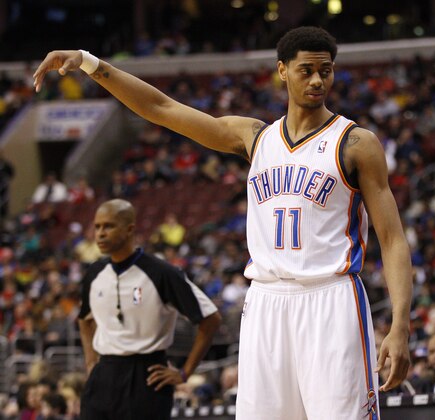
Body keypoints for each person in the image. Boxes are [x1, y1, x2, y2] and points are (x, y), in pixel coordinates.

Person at [33, 26, 413, 419]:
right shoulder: (254, 137)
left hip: (331, 298)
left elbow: (393, 239)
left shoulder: (355, 143)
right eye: (307, 70)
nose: (318, 80)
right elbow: (162, 108)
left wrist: (400, 323)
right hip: (266, 300)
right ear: (282, 71)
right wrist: (92, 64)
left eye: (326, 70)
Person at [76, 199, 221, 419]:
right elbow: (84, 319)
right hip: (103, 373)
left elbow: (210, 319)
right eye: (97, 227)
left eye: (108, 226)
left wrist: (184, 372)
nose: (100, 233)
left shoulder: (162, 272)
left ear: (130, 229)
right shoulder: (94, 273)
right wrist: (90, 362)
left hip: (147, 375)